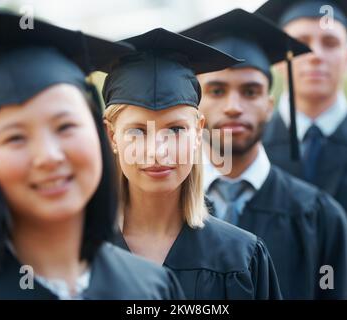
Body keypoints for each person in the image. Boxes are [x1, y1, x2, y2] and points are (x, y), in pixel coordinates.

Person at [0, 10, 185, 300]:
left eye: (65, 126)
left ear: (100, 135)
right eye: (15, 137)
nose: (49, 156)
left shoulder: (150, 288)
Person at [181, 8, 347, 299]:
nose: (234, 106)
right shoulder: (165, 212)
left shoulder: (319, 217)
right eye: (217, 91)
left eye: (250, 91)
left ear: (269, 106)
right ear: (194, 107)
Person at [102, 27, 282, 299]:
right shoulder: (76, 255)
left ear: (199, 131)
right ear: (112, 135)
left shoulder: (242, 258)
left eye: (175, 130)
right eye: (137, 131)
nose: (158, 152)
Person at [256, 0, 347, 299]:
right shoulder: (249, 147)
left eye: (330, 42)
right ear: (278, 61)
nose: (315, 55)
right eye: (301, 43)